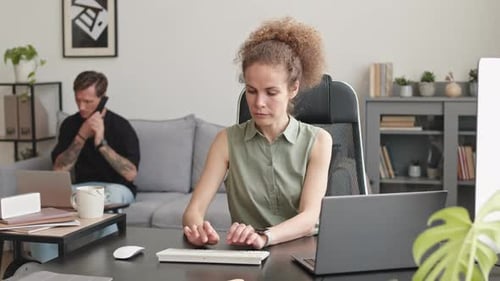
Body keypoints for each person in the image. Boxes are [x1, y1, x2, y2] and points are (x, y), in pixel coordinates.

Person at [182, 17, 332, 249]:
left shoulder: (319, 141)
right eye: (251, 91)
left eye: (271, 92)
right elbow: (193, 211)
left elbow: (309, 217)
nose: (258, 102)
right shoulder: (226, 141)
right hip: (247, 255)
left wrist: (264, 237)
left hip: (304, 251)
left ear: (293, 89)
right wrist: (197, 230)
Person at [30, 70, 140, 262]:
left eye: (88, 102)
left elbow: (130, 174)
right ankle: (44, 267)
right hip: (81, 187)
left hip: (116, 188)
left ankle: (98, 264)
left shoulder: (121, 126)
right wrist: (81, 136)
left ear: (103, 99)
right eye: (78, 100)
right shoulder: (70, 125)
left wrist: (100, 143)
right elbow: (59, 170)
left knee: (103, 201)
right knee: (47, 206)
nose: (81, 107)